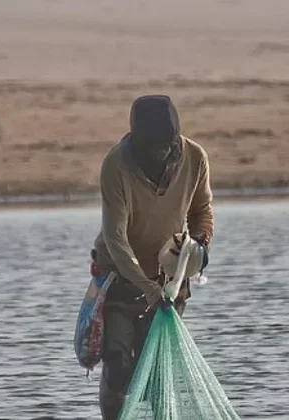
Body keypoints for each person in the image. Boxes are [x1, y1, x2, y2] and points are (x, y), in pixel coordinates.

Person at [91, 94, 214, 419]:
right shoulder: (116, 165)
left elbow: (201, 211)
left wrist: (199, 246)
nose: (161, 154)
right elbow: (116, 238)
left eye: (167, 146)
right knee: (119, 365)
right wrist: (146, 286)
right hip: (120, 278)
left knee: (157, 367)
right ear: (136, 141)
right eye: (153, 148)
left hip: (169, 283)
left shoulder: (194, 157)